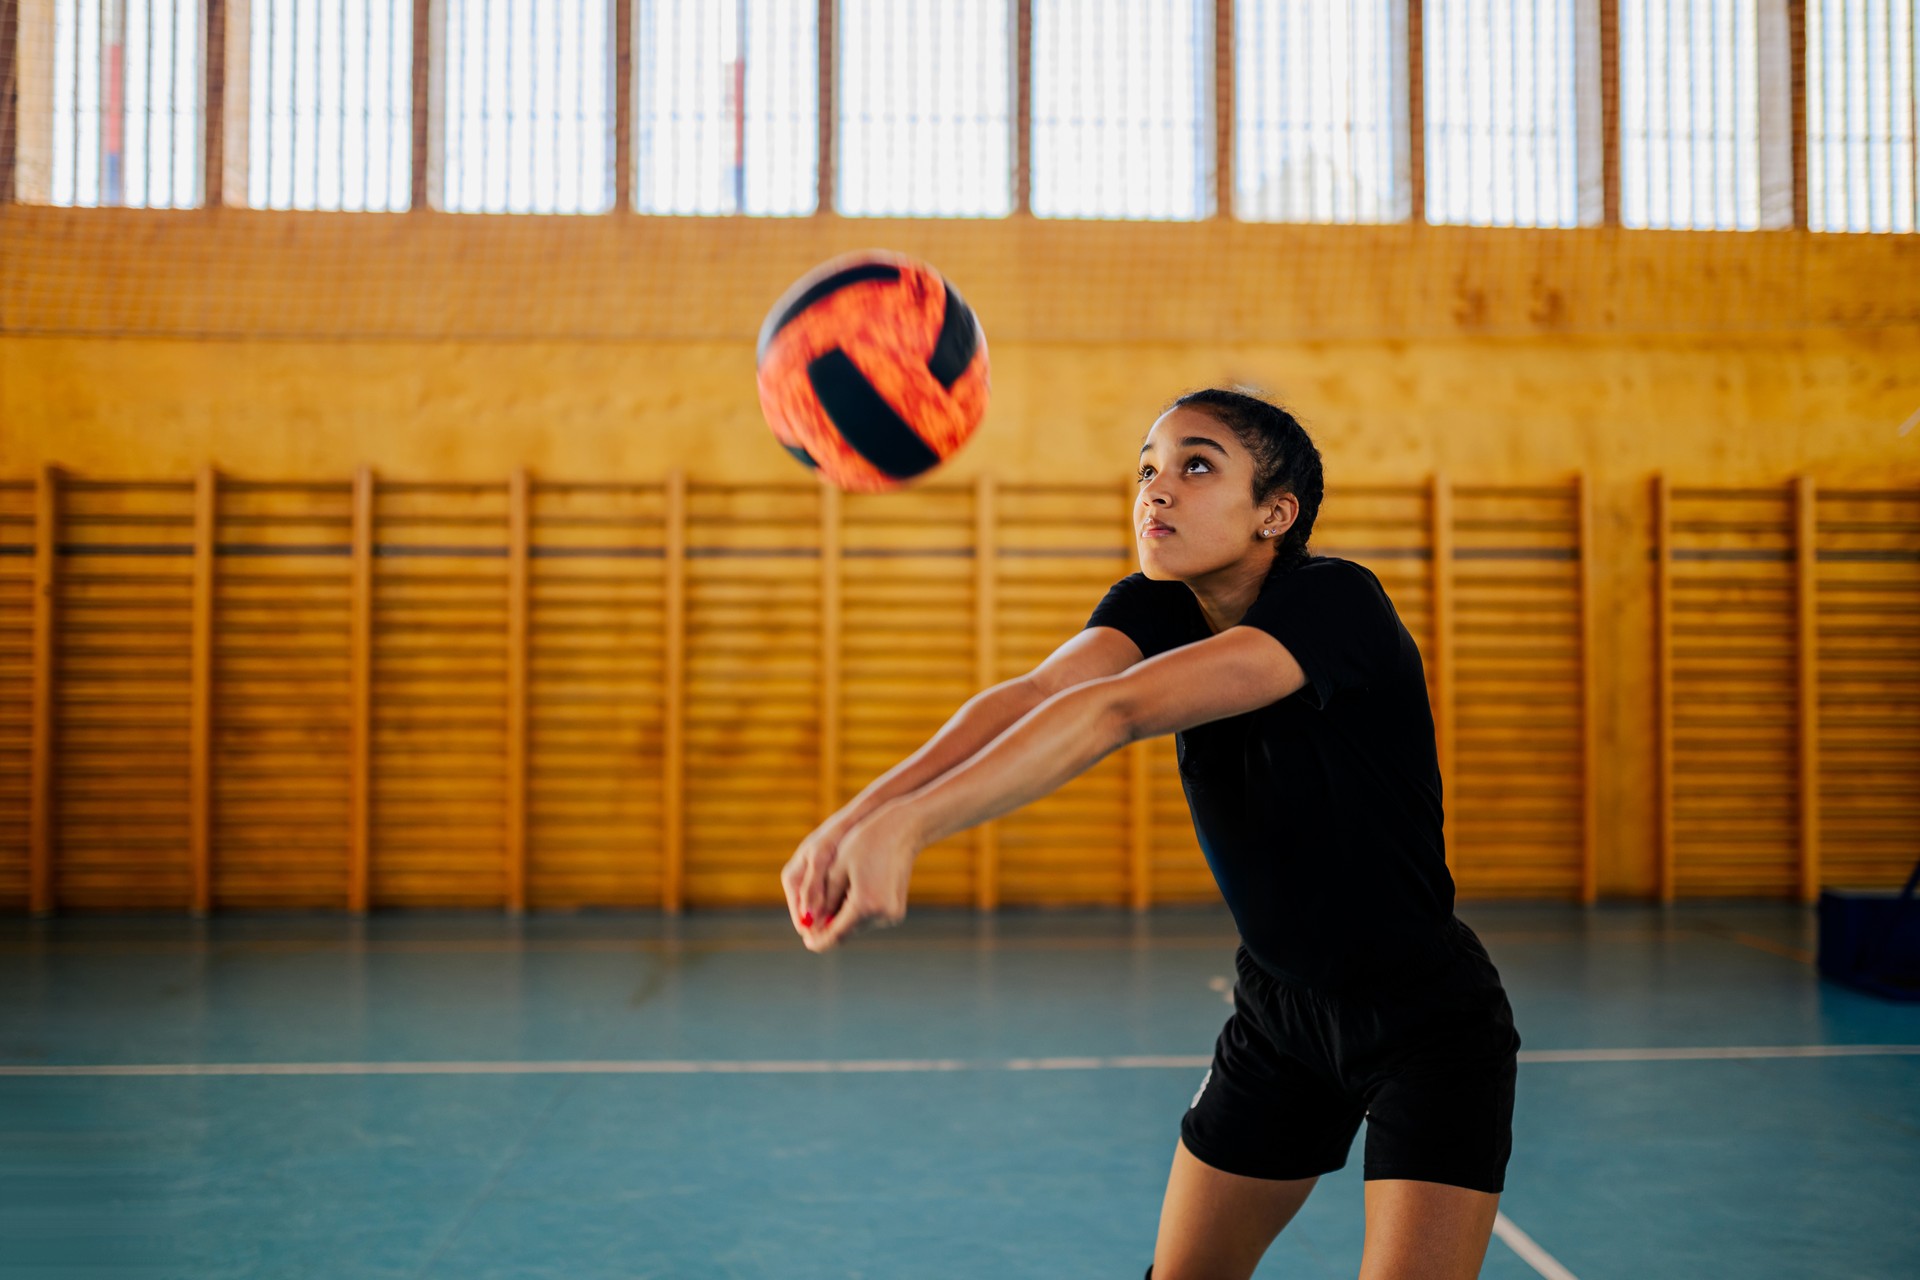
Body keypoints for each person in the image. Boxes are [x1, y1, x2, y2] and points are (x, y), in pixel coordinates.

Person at [781, 388, 1522, 1280]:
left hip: (1424, 1023)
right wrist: (859, 817)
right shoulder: (1161, 604)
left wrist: (914, 826)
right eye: (1147, 468)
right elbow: (1032, 698)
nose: (1155, 490)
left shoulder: (1337, 603)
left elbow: (1116, 709)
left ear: (1275, 514)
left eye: (1196, 465)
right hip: (1278, 1017)